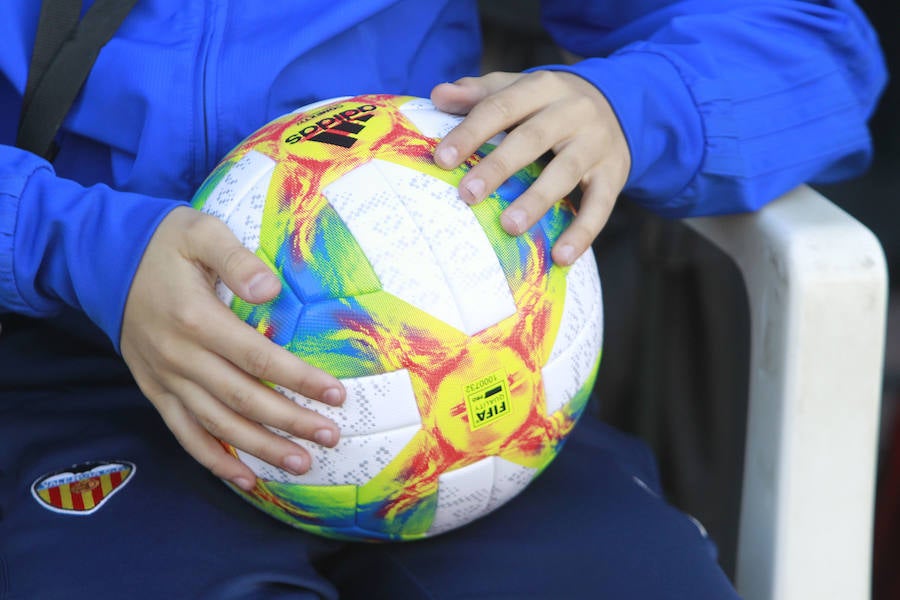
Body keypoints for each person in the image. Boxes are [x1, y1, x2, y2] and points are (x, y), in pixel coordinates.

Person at [0, 1, 886, 598]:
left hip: (477, 392)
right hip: (77, 364)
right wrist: (75, 247)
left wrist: (629, 104)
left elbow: (812, 45)